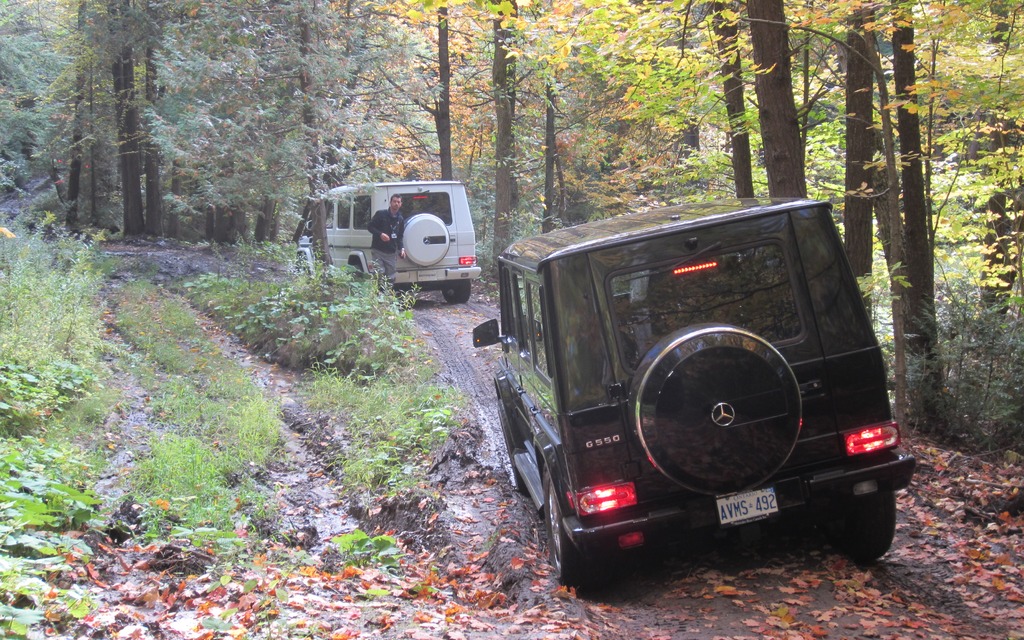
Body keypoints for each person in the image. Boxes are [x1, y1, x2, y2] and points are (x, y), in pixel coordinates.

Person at [367, 194, 407, 286]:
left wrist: (402, 249)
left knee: (390, 277)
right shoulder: (381, 214)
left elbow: (400, 236)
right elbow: (370, 227)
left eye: (398, 202)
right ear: (390, 202)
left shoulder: (400, 219)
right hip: (378, 250)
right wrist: (380, 234)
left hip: (391, 252)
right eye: (394, 201)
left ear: (401, 204)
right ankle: (378, 296)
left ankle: (387, 296)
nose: (396, 204)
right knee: (379, 273)